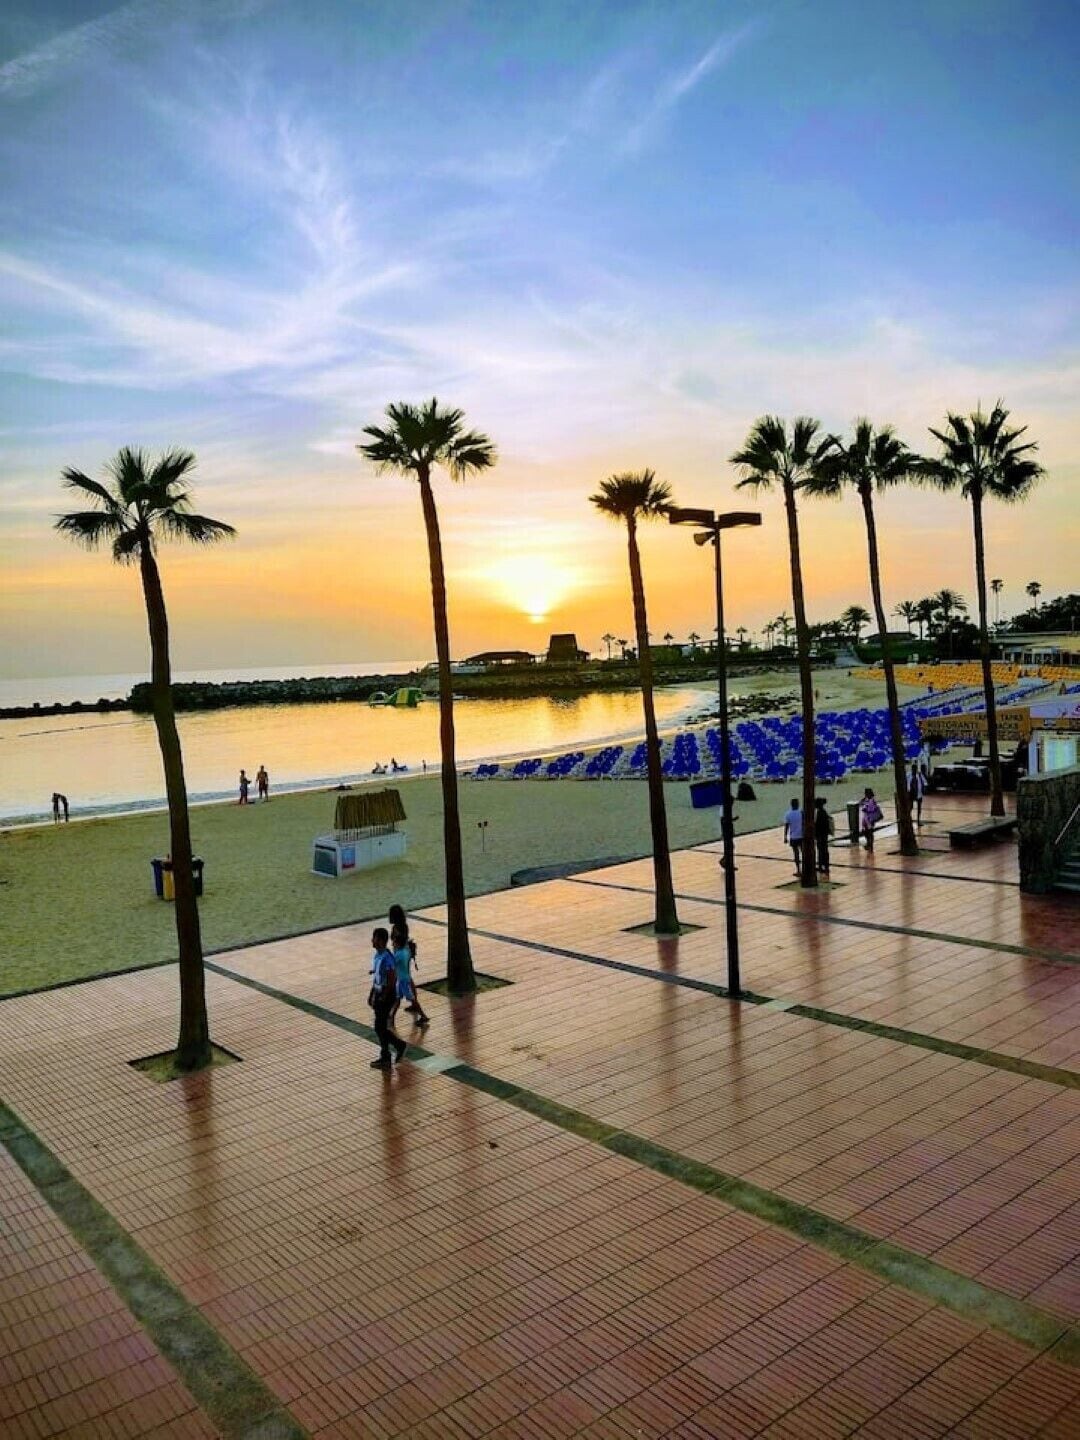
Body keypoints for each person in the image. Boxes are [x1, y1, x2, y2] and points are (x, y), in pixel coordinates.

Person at [368, 927, 406, 1069]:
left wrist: (384, 995)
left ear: (381, 940)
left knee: (379, 1026)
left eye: (375, 938)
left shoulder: (387, 957)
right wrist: (372, 994)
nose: (372, 941)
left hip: (386, 995)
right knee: (380, 1027)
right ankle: (392, 1051)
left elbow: (392, 977)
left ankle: (389, 1053)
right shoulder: (378, 955)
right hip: (379, 993)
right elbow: (377, 977)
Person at [391, 921, 429, 1027]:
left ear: (398, 944)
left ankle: (423, 1016)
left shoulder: (398, 954)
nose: (392, 944)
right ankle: (391, 1017)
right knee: (397, 999)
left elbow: (391, 964)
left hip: (403, 981)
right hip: (403, 979)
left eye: (394, 942)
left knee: (409, 999)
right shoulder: (406, 951)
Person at [782, 797, 804, 877]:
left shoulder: (788, 814)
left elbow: (787, 826)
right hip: (801, 836)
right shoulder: (801, 813)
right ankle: (806, 868)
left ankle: (798, 869)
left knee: (796, 854)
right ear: (798, 804)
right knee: (803, 852)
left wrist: (785, 836)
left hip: (793, 837)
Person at [813, 797, 834, 876]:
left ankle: (823, 866)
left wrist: (815, 833)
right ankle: (824, 866)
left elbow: (818, 825)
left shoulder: (820, 813)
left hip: (820, 835)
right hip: (824, 834)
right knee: (824, 850)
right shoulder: (823, 812)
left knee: (821, 850)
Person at [860, 787, 883, 852]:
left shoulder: (871, 800)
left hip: (870, 819)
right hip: (865, 819)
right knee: (866, 832)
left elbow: (870, 809)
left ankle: (870, 845)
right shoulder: (866, 800)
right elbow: (860, 803)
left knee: (869, 832)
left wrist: (865, 808)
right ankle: (869, 844)